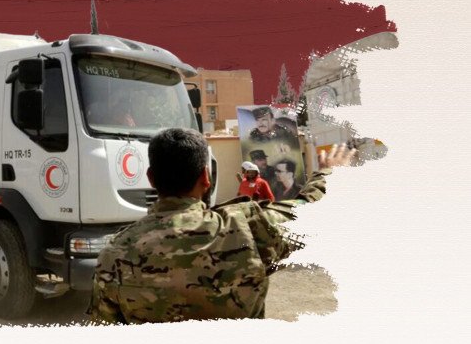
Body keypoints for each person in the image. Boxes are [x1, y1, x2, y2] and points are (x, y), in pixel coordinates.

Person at [88, 128, 354, 323]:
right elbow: (310, 213)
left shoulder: (114, 254)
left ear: (151, 179)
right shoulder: (247, 228)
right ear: (206, 177)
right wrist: (329, 172)